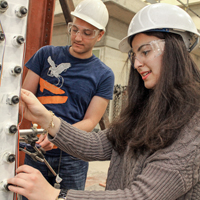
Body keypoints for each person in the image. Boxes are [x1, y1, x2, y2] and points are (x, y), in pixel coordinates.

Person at [8, 3, 200, 200]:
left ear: (176, 50)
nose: (136, 64)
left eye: (145, 52)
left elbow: (141, 196)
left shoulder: (194, 125)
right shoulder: (148, 109)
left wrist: (58, 196)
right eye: (134, 55)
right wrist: (46, 118)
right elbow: (99, 144)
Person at [21, 0, 114, 195]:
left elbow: (91, 120)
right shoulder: (46, 55)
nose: (78, 37)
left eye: (87, 33)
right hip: (36, 149)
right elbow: (24, 99)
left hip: (74, 156)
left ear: (100, 35)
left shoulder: (104, 74)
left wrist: (58, 137)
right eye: (74, 29)